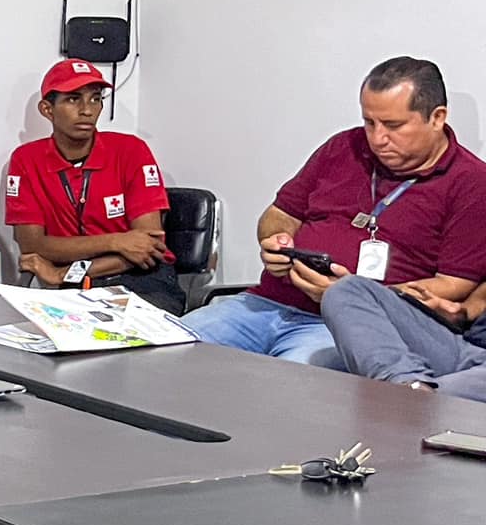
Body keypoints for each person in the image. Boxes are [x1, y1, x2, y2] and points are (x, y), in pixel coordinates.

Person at [180, 57, 486, 365]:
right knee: (166, 347)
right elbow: (279, 216)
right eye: (369, 122)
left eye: (393, 126)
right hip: (265, 303)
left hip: (351, 327)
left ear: (437, 118)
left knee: (292, 383)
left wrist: (347, 296)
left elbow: (453, 285)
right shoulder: (344, 147)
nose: (377, 138)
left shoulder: (471, 182)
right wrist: (276, 243)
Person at [264, 271, 486, 525]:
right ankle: (407, 386)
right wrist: (461, 310)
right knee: (347, 291)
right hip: (469, 349)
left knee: (403, 416)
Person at [5, 60, 181, 315]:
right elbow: (33, 246)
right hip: (71, 288)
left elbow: (147, 248)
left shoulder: (132, 150)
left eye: (95, 99)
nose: (87, 110)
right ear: (47, 109)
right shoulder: (26, 160)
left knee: (121, 330)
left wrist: (66, 272)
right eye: (73, 99)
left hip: (142, 280)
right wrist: (117, 241)